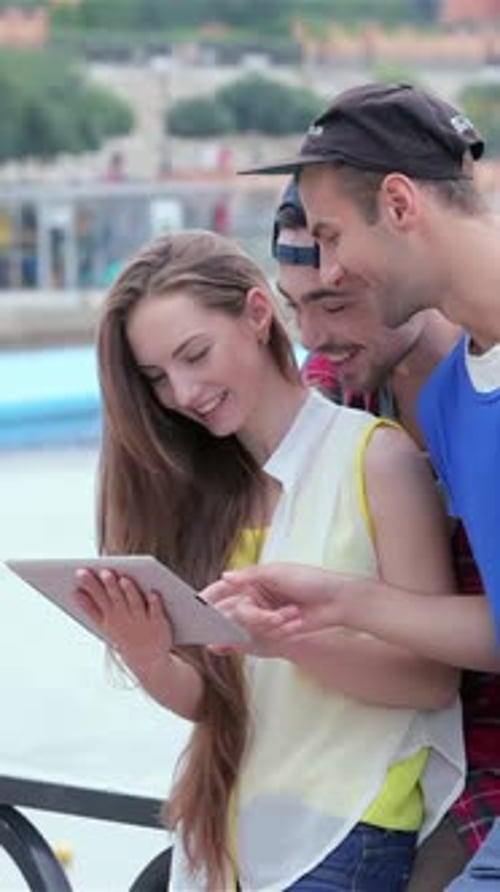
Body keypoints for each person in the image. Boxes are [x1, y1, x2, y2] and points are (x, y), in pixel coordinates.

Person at [75, 229, 463, 892]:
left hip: (349, 830)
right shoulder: (207, 493)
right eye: (158, 378)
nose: (184, 392)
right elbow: (214, 702)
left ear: (258, 315)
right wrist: (145, 654)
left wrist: (284, 642)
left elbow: (430, 682)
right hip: (234, 841)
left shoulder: (376, 460)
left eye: (195, 355)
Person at [211, 82, 500, 888]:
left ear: (402, 208)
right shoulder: (408, 401)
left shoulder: (446, 402)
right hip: (405, 778)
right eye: (297, 304)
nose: (317, 335)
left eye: (336, 281)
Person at [270, 180, 500, 890]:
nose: (313, 335)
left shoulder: (476, 381)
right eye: (296, 305)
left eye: (335, 301)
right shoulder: (326, 395)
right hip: (379, 763)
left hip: (477, 770)